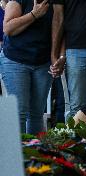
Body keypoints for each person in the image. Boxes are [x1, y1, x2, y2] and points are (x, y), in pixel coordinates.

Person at [1, 0, 53, 134]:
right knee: (20, 112)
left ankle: (35, 153)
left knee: (36, 114)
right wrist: (34, 14)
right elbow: (7, 28)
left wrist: (58, 57)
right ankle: (17, 154)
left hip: (43, 62)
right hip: (16, 60)